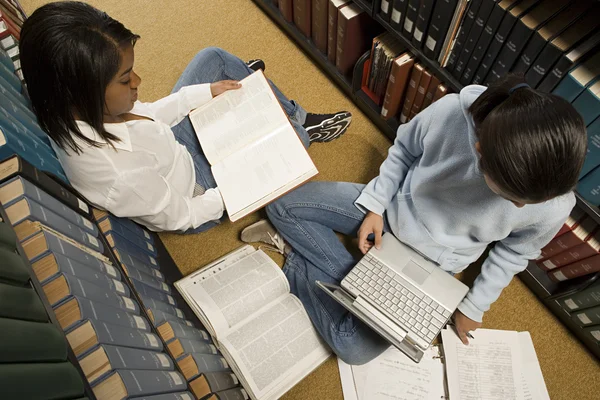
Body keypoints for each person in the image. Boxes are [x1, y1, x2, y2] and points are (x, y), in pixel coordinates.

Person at [241, 75, 587, 365]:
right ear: (479, 153)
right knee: (281, 205)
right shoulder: (452, 111)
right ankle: (362, 283)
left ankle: (298, 257)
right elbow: (405, 150)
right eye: (512, 198)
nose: (520, 209)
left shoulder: (553, 200)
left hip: (436, 263)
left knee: (352, 347)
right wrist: (376, 205)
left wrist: (474, 306)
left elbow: (514, 253)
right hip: (393, 210)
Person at [19, 1, 352, 233]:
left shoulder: (77, 106)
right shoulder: (119, 176)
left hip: (171, 147)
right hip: (197, 190)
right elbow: (181, 216)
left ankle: (297, 114)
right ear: (81, 92)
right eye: (125, 79)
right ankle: (294, 130)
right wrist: (234, 188)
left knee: (214, 60)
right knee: (291, 141)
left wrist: (203, 94)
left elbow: (148, 115)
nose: (138, 82)